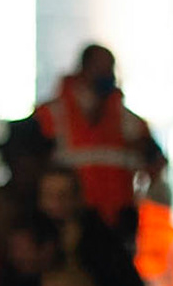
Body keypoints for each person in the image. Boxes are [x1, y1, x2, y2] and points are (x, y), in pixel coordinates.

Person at [32, 45, 164, 237]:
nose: (105, 75)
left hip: (117, 227)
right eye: (99, 67)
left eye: (108, 68)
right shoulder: (51, 115)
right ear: (82, 70)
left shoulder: (129, 123)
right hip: (65, 227)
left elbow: (156, 163)